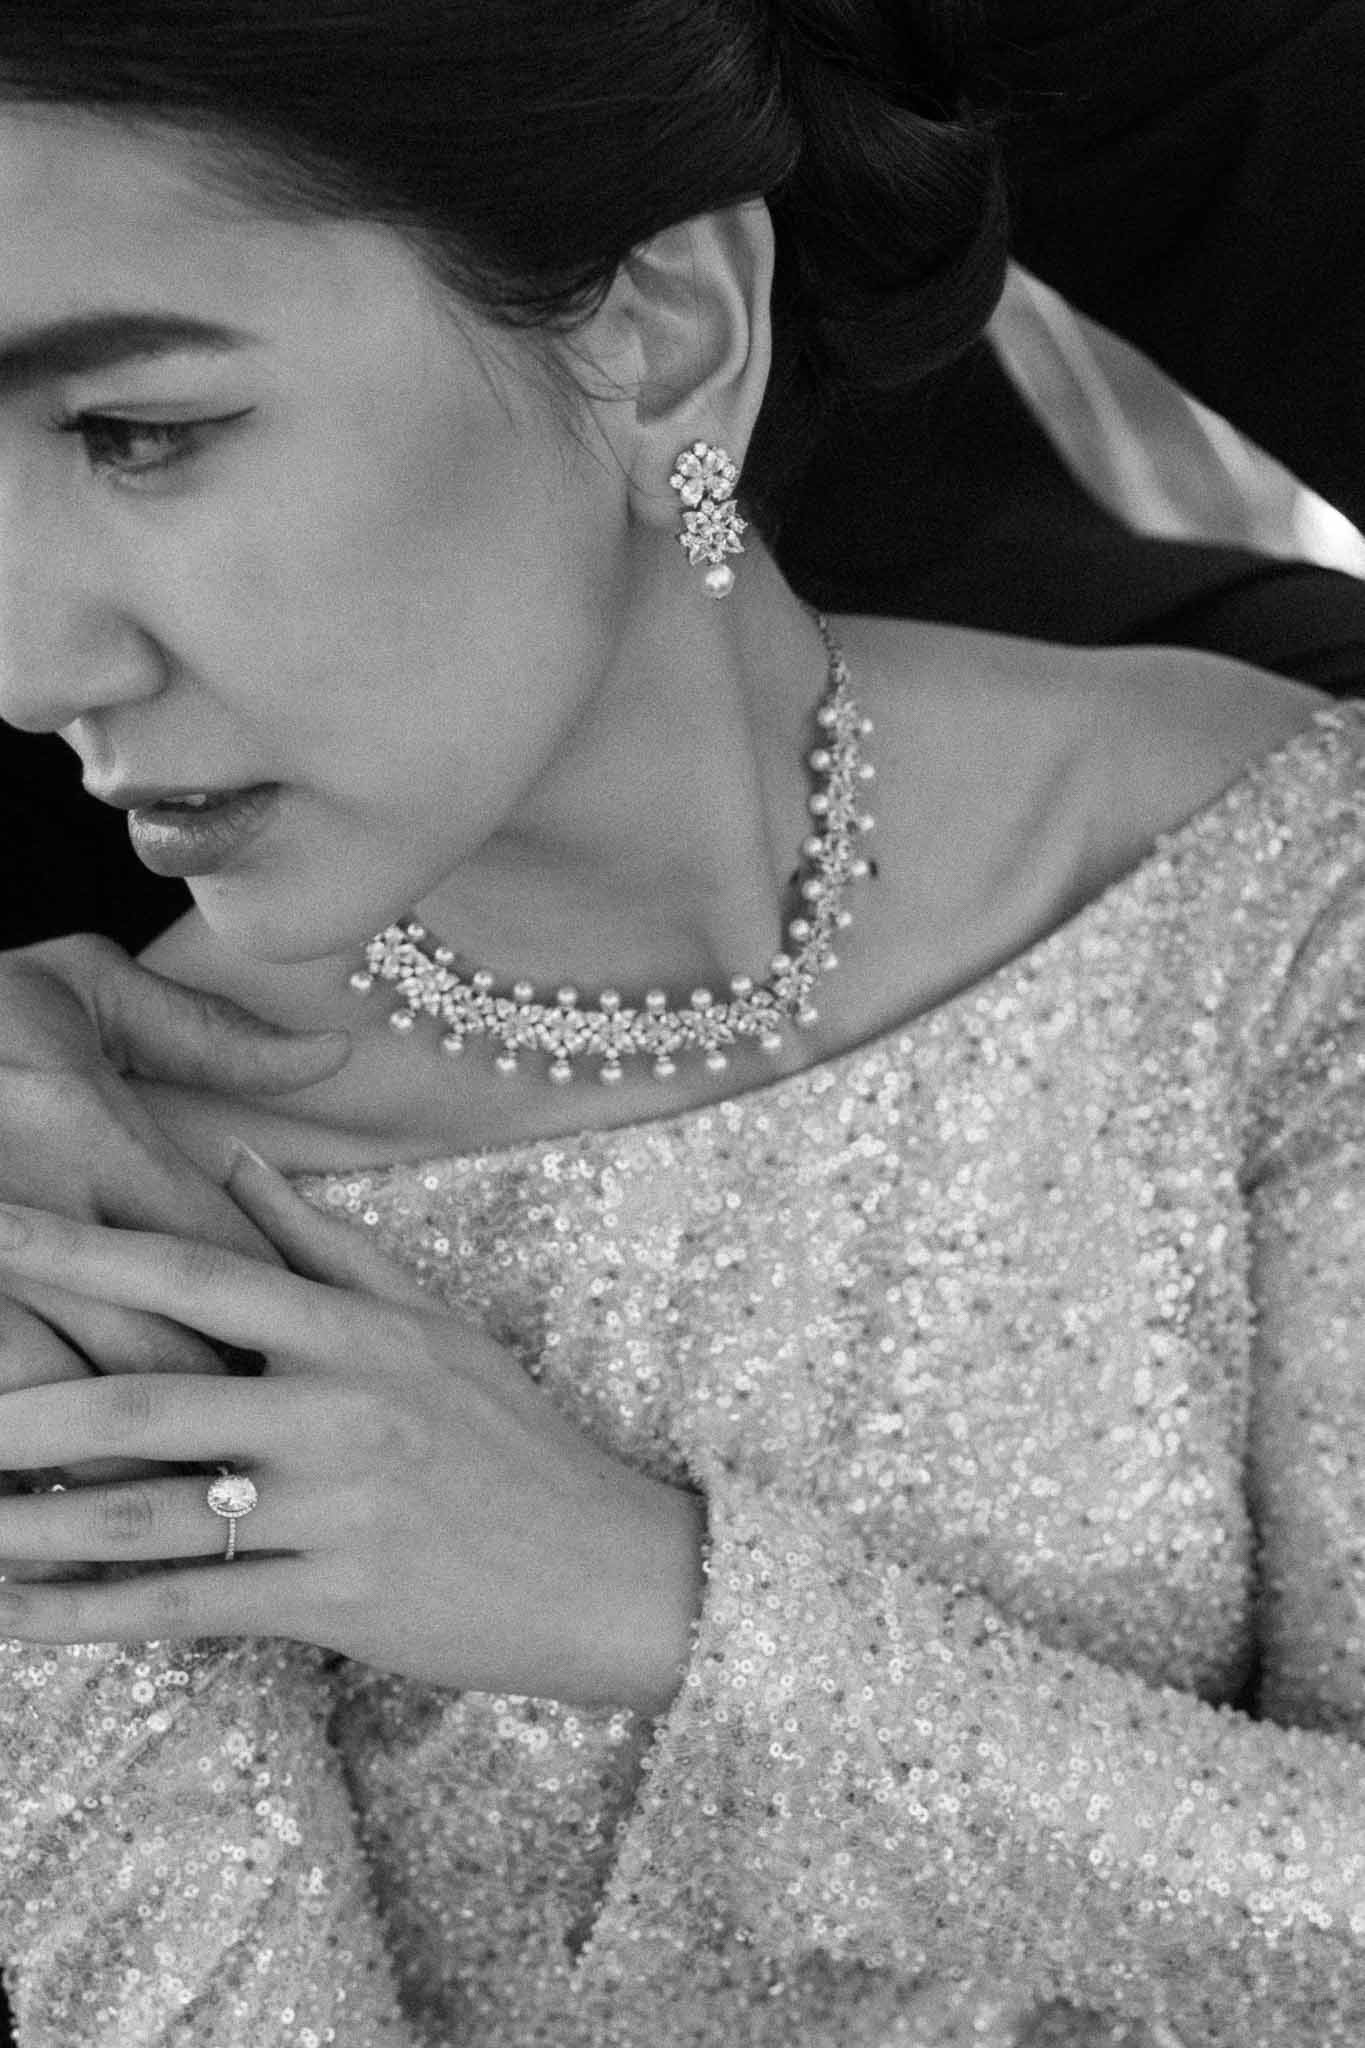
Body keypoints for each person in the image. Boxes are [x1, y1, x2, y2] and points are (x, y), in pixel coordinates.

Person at [0, 6, 1361, 2047]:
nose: (25, 659)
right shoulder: (101, 1228)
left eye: (140, 433)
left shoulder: (1253, 875)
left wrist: (653, 1605)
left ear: (672, 333)